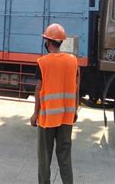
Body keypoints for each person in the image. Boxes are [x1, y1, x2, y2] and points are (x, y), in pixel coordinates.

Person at [30, 23, 80, 184]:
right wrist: (75, 111)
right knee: (65, 155)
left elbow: (39, 89)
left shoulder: (43, 62)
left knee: (44, 158)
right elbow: (76, 87)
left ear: (48, 42)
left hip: (47, 118)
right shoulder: (73, 61)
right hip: (66, 117)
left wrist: (35, 114)